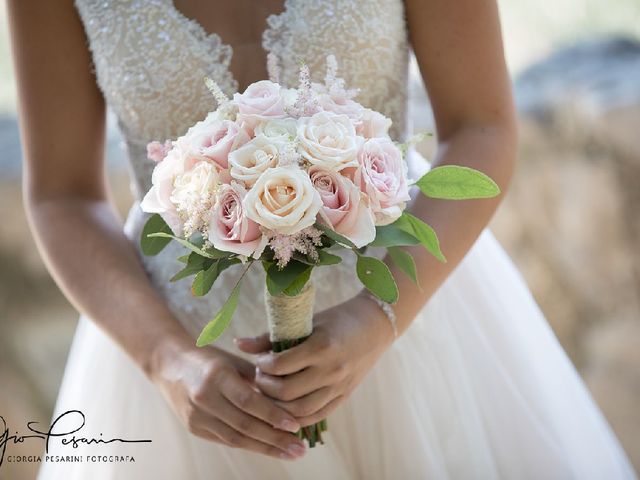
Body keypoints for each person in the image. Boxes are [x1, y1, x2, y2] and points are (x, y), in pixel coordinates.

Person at [7, 0, 636, 478]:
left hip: (404, 310)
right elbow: (63, 194)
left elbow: (482, 125)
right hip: (189, 349)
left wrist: (379, 318)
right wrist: (166, 359)